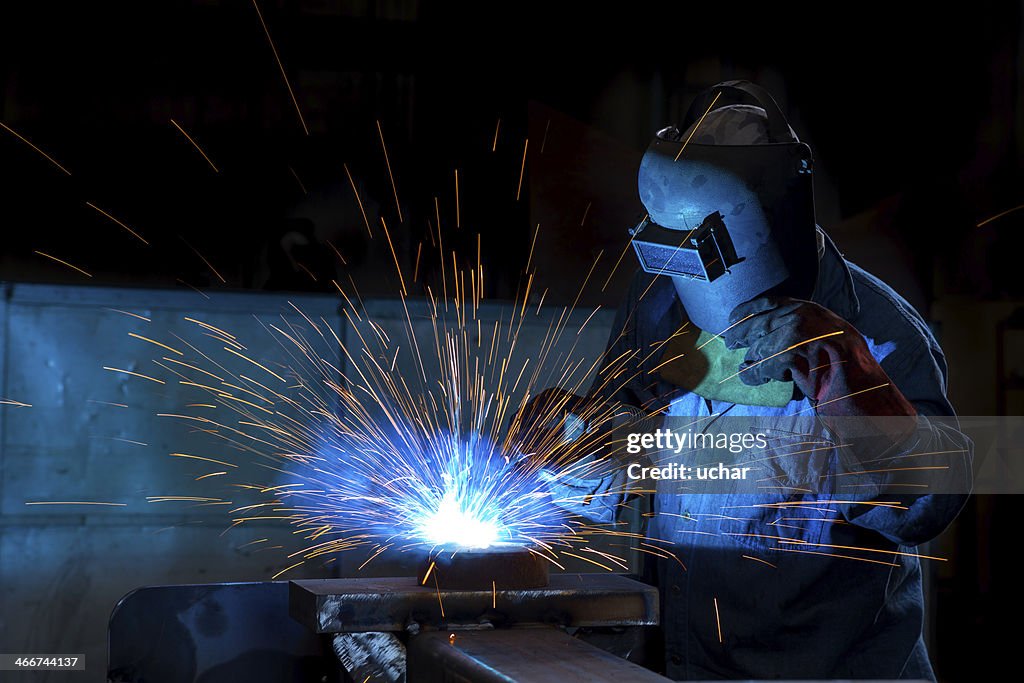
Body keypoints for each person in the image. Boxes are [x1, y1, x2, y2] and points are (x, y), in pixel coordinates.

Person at [516, 81, 972, 681]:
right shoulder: (658, 306)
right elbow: (623, 466)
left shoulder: (877, 326)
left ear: (770, 217)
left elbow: (933, 502)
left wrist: (853, 381)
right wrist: (574, 454)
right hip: (692, 664)